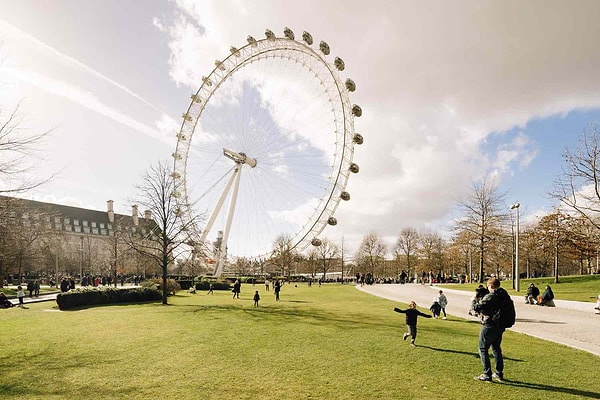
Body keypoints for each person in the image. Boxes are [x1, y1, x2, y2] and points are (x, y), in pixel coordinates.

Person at [473, 277, 508, 382]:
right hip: (500, 325)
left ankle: (486, 373)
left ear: (491, 286)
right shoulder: (503, 294)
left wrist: (475, 299)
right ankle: (498, 373)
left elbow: (476, 308)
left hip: (490, 325)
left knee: (483, 349)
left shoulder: (491, 296)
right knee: (496, 348)